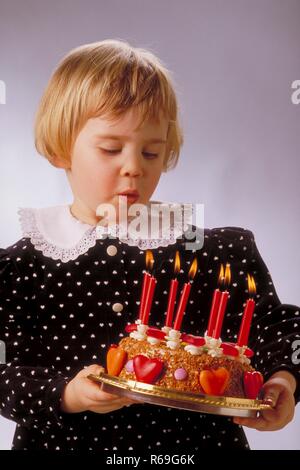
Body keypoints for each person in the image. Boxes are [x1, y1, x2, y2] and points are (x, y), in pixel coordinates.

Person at [0, 39, 299, 452]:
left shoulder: (213, 252)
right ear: (60, 148)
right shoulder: (23, 266)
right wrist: (66, 394)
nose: (134, 167)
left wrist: (283, 380)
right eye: (110, 148)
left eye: (152, 152)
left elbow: (282, 329)